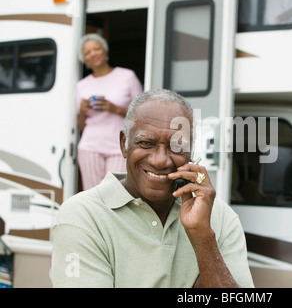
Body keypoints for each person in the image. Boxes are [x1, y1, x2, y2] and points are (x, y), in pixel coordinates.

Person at [50, 89, 254, 288]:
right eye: (146, 143)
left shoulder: (220, 217)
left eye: (176, 147)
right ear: (124, 144)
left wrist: (203, 238)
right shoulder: (82, 215)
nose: (160, 160)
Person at [76, 33, 143, 190]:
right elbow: (81, 126)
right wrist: (82, 111)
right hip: (89, 147)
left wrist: (113, 108)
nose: (93, 54)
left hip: (120, 146)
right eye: (87, 52)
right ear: (84, 59)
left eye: (96, 49)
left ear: (105, 52)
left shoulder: (126, 76)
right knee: (93, 195)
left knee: (117, 191)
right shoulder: (82, 85)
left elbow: (141, 115)